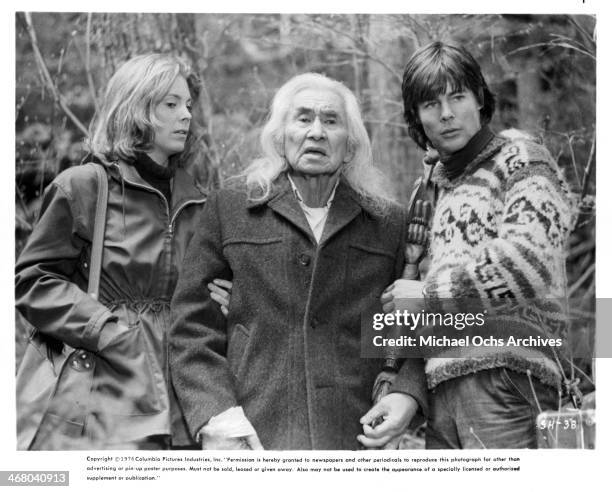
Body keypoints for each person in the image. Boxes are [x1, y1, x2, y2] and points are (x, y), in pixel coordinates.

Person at [169, 72, 427, 450]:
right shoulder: (232, 208)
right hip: (253, 440)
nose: (317, 132)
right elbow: (191, 327)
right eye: (303, 118)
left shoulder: (389, 223)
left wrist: (407, 393)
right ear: (280, 136)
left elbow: (418, 325)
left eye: (331, 121)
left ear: (350, 145)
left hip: (355, 441)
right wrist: (218, 418)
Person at [366, 41, 575, 449]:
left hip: (506, 379)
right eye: (430, 104)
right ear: (416, 117)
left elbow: (527, 265)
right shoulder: (428, 192)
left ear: (479, 99)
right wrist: (400, 384)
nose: (446, 114)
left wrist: (428, 294)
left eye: (457, 97)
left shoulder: (522, 159)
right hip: (442, 389)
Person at [15, 53, 229, 449]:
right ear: (137, 108)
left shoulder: (201, 201)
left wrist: (227, 302)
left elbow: (201, 298)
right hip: (104, 386)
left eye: (188, 105)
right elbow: (32, 282)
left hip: (184, 394)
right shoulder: (83, 187)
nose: (186, 115)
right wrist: (106, 330)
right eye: (171, 104)